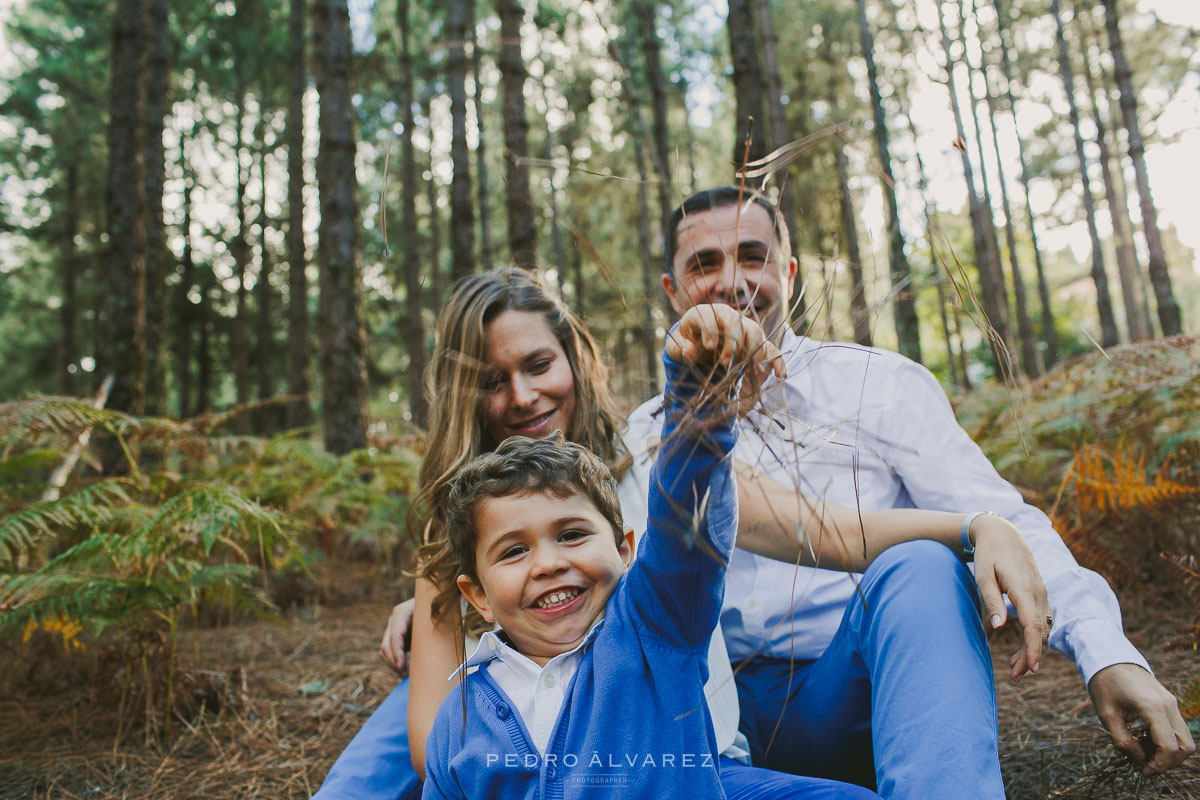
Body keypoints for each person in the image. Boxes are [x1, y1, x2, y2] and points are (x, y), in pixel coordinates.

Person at [322, 268, 1050, 800]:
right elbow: (434, 745)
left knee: (919, 565)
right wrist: (446, 622)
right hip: (528, 754)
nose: (522, 397)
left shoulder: (652, 457)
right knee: (465, 687)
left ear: (574, 357)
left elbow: (826, 533)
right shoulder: (454, 522)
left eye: (539, 364)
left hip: (691, 754)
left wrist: (973, 524)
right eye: (491, 380)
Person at [620, 185, 1192, 793]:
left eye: (753, 256)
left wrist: (1107, 652)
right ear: (673, 290)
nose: (733, 282)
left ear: (788, 271)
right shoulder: (650, 432)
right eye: (704, 265)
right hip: (709, 717)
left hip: (855, 691)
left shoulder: (874, 384)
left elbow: (998, 516)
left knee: (922, 564)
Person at [422, 309, 881, 799]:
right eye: (514, 551)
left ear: (626, 550)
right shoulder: (461, 717)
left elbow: (686, 524)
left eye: (573, 534)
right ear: (479, 596)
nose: (549, 563)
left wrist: (695, 393)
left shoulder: (654, 627)